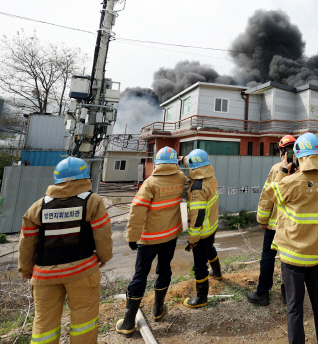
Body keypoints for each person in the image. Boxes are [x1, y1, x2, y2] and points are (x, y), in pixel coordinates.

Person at [18, 157, 113, 344]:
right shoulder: (92, 201)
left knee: (44, 325)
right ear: (85, 176)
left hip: (45, 276)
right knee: (84, 321)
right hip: (82, 271)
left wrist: (26, 268)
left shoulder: (39, 206)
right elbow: (102, 234)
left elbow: (27, 241)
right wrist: (103, 256)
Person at [261, 132, 318, 344]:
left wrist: (284, 169)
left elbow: (270, 193)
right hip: (316, 255)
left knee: (294, 308)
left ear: (298, 154)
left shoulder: (291, 181)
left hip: (293, 258)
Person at [116, 146, 186, 334]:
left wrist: (132, 236)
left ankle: (129, 323)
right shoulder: (181, 178)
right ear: (174, 163)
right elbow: (182, 171)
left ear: (156, 163)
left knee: (140, 276)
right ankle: (158, 310)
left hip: (149, 239)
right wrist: (182, 160)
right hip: (170, 236)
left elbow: (137, 211)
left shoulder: (150, 183)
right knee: (164, 270)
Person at [247, 134, 296, 306]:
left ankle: (263, 294)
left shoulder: (277, 168)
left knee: (268, 257)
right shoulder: (303, 169)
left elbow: (268, 196)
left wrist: (262, 219)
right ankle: (288, 295)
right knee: (289, 259)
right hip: (294, 225)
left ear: (282, 150)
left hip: (275, 224)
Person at [182, 149, 222, 308]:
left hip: (202, 232)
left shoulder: (197, 188)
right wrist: (184, 159)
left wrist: (192, 239)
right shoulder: (210, 176)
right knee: (210, 248)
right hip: (212, 225)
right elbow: (194, 162)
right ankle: (217, 272)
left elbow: (197, 217)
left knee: (200, 265)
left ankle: (201, 297)